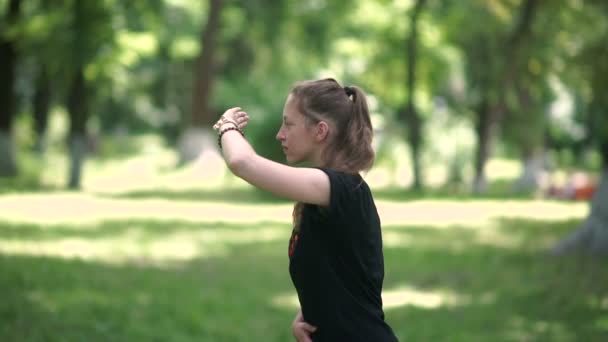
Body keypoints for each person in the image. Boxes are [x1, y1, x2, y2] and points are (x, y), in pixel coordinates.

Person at [213, 78, 398, 342]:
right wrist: (314, 312)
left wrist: (227, 126)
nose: (280, 134)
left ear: (320, 131)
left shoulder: (338, 188)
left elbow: (242, 162)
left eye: (288, 124)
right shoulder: (327, 193)